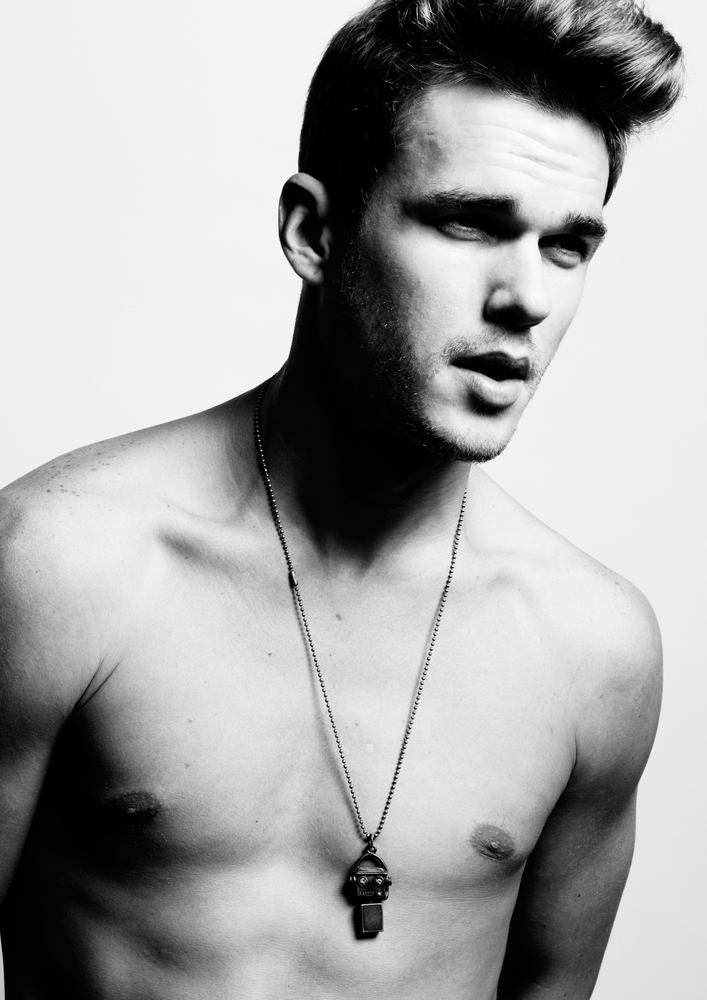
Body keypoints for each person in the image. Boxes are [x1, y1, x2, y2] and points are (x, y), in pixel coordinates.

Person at [0, 0, 684, 997]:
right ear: (313, 231)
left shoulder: (593, 651)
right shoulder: (58, 567)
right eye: (469, 222)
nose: (526, 297)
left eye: (567, 246)